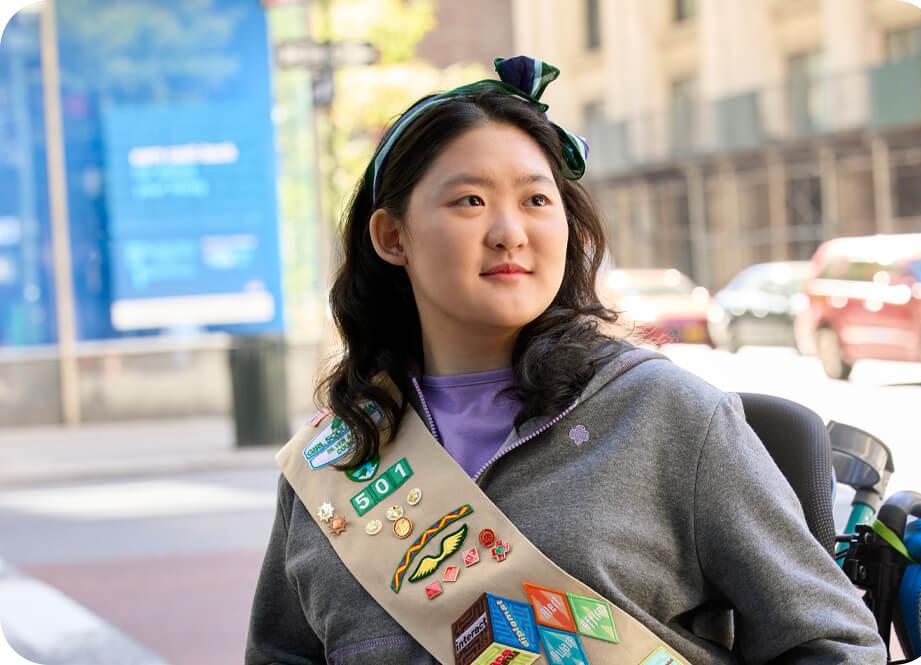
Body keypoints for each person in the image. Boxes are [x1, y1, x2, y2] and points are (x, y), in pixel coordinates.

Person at [245, 56, 884, 665]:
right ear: (392, 237)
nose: (509, 231)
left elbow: (832, 642)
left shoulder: (665, 416)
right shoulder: (336, 461)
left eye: (535, 200)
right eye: (470, 201)